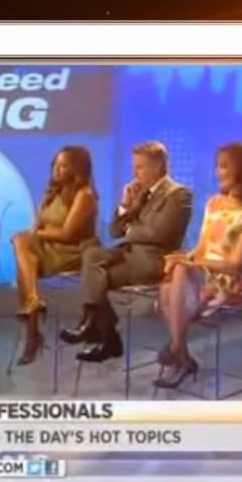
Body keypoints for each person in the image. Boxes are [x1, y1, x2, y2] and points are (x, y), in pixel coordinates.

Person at [61, 141, 192, 363]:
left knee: (94, 277)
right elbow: (114, 232)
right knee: (91, 255)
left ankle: (104, 334)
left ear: (159, 167)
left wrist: (131, 229)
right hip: (128, 255)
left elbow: (160, 233)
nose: (135, 173)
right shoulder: (141, 194)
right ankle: (97, 327)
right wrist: (125, 204)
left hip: (152, 262)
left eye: (140, 167)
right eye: (134, 167)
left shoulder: (179, 194)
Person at [154, 142, 242, 388]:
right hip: (207, 274)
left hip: (238, 280)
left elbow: (236, 264)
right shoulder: (214, 203)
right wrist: (182, 258)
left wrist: (189, 263)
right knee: (171, 280)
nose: (218, 172)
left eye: (224, 166)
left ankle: (177, 352)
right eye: (218, 166)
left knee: (180, 276)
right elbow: (201, 248)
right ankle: (180, 353)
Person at [9, 146, 101, 365]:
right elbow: (38, 226)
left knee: (24, 257)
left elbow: (68, 234)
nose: (57, 170)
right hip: (51, 249)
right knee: (22, 248)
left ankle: (32, 333)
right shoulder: (51, 194)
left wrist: (36, 234)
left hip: (76, 252)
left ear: (77, 169)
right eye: (55, 165)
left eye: (63, 166)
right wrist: (34, 234)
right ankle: (33, 304)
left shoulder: (85, 195)